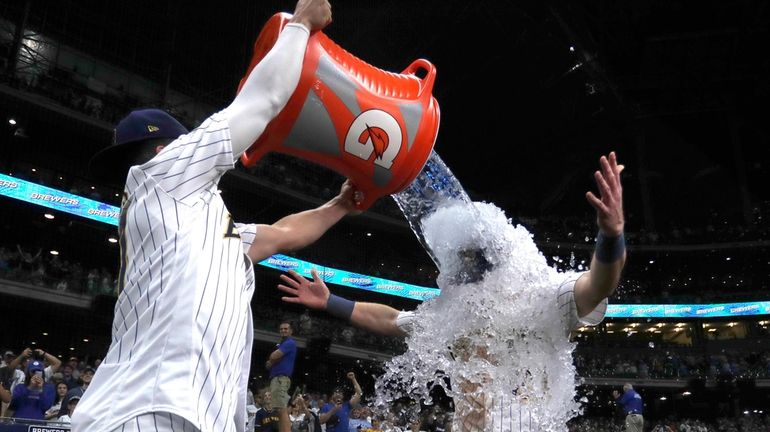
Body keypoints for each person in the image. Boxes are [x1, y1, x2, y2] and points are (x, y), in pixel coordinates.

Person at [70, 1, 362, 431]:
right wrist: (299, 26)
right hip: (147, 410)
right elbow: (260, 103)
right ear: (170, 150)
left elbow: (282, 234)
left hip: (190, 413)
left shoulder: (198, 218)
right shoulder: (159, 178)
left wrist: (339, 205)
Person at [278, 152, 628, 431]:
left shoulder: (540, 295)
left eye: (467, 261)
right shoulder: (458, 310)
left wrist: (611, 237)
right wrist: (331, 301)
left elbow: (597, 285)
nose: (456, 272)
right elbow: (391, 320)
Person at [266, 320, 298, 432]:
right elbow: (272, 359)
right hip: (278, 378)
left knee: (281, 409)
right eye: (281, 329)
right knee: (279, 410)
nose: (283, 330)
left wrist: (272, 359)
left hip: (281, 378)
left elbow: (274, 355)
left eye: (286, 329)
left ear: (291, 331)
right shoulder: (283, 343)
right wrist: (273, 359)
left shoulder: (289, 343)